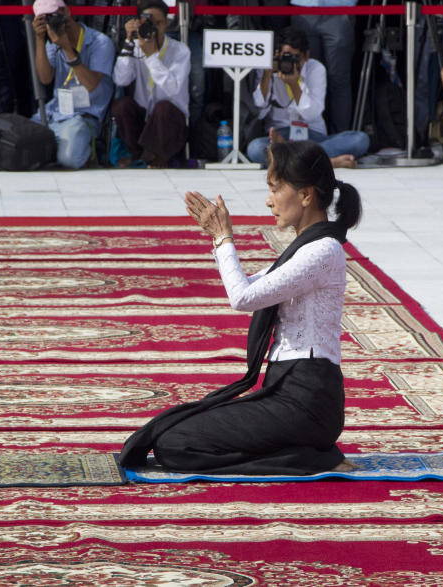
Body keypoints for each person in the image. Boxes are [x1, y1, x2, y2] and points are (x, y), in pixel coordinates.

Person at [117, 140, 362, 479]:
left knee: (177, 445)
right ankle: (307, 453)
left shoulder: (323, 251)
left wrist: (222, 238)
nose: (268, 200)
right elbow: (251, 287)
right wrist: (220, 240)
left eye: (275, 189)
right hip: (288, 391)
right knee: (173, 431)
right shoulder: (307, 248)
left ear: (306, 195)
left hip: (308, 400)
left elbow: (242, 297)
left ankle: (310, 458)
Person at [245, 26, 369, 169]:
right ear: (277, 54)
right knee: (254, 149)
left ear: (306, 56)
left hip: (312, 134)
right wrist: (267, 75)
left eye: (296, 58)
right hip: (280, 134)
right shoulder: (268, 67)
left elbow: (312, 114)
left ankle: (291, 158)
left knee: (360, 139)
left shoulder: (316, 69)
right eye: (286, 56)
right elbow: (259, 111)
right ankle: (328, 162)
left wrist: (294, 85)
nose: (291, 62)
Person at [31, 0, 114, 169]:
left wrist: (68, 49)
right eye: (45, 19)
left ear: (67, 11)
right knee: (22, 145)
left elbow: (91, 85)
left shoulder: (100, 42)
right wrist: (40, 40)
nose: (53, 22)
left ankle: (86, 149)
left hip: (83, 117)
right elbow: (45, 78)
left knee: (69, 159)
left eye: (55, 16)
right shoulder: (52, 42)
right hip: (54, 114)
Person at [111, 0, 190, 168]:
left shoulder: (180, 50)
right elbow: (120, 79)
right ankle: (140, 155)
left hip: (170, 123)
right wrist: (128, 43)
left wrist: (151, 57)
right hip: (144, 121)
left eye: (158, 23)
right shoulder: (136, 47)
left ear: (167, 23)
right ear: (139, 22)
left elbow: (172, 89)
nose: (154, 28)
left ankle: (159, 156)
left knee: (163, 108)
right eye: (149, 23)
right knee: (122, 105)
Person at [291, 0, 355, 134]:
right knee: (304, 77)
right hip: (302, 9)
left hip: (339, 9)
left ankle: (340, 139)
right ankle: (305, 140)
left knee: (338, 80)